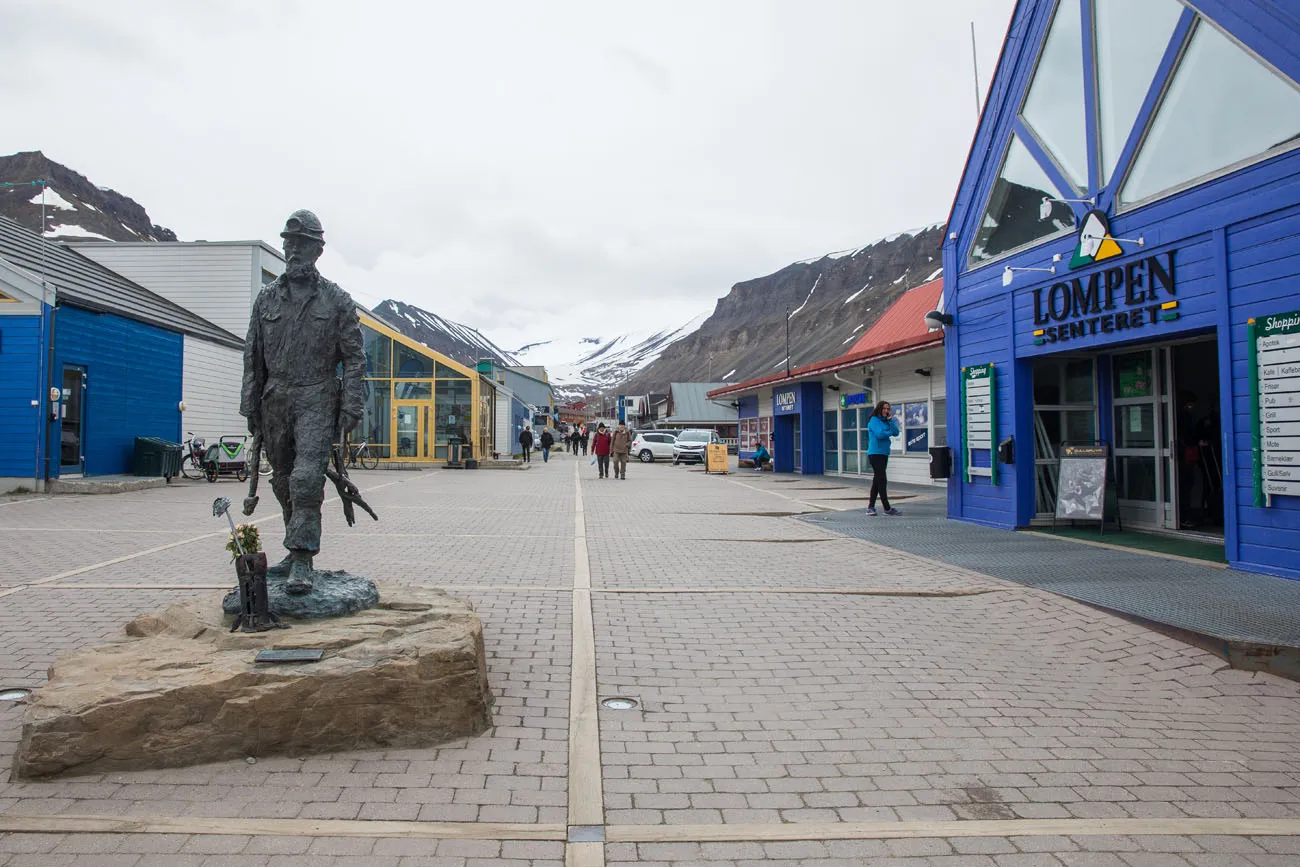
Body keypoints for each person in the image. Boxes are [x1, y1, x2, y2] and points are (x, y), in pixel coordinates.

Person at [241, 209, 367, 595]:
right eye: (288, 244)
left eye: (300, 245)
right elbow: (253, 355)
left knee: (306, 477)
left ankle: (302, 557)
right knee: (281, 479)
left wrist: (351, 407)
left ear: (317, 250)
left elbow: (355, 358)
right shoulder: (265, 299)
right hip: (275, 399)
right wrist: (250, 406)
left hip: (317, 396)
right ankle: (293, 548)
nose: (292, 251)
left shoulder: (337, 300)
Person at [865, 400, 901, 516]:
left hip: (884, 453)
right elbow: (879, 434)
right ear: (879, 409)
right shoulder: (874, 420)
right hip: (875, 453)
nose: (886, 411)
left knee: (877, 480)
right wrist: (888, 432)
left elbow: (896, 432)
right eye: (884, 408)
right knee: (882, 480)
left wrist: (890, 421)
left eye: (888, 409)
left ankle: (870, 507)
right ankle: (887, 508)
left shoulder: (887, 421)